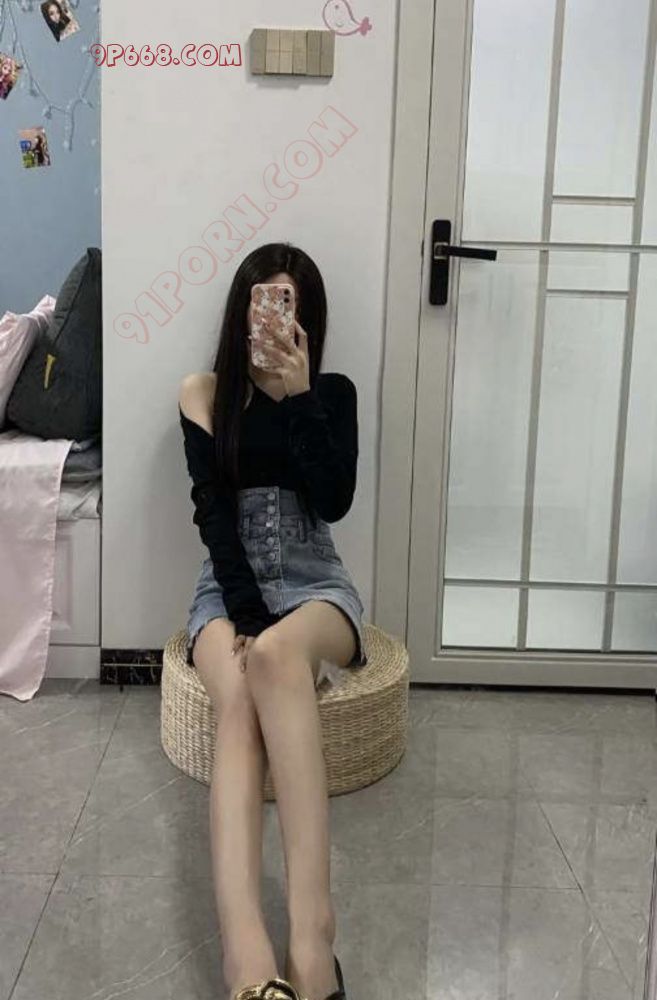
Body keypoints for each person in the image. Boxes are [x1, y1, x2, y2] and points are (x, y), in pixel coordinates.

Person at [178, 242, 364, 1000]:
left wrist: (298, 398)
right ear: (242, 310)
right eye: (263, 300)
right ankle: (246, 957)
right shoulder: (203, 393)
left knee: (278, 655)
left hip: (317, 580)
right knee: (241, 701)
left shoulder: (332, 393)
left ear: (305, 317)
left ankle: (313, 936)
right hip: (228, 587)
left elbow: (334, 501)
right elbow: (211, 515)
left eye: (288, 303)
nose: (273, 316)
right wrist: (247, 613)